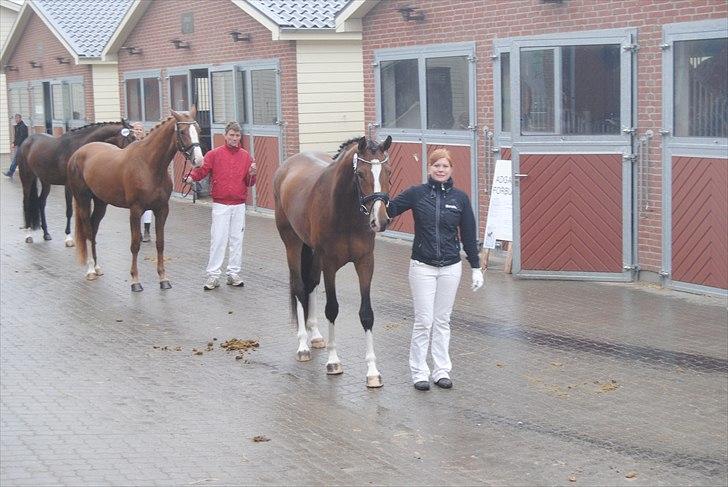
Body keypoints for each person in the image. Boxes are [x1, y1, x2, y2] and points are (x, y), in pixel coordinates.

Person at [386, 148, 484, 391]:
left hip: (451, 267)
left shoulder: (460, 199)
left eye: (445, 166)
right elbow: (389, 209)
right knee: (424, 321)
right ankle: (419, 371)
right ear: (429, 168)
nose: (440, 170)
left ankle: (441, 370)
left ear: (451, 169)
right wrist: (376, 195)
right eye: (436, 165)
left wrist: (476, 267)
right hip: (422, 267)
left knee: (442, 321)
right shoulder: (416, 194)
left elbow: (469, 235)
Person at [185, 121, 256, 290]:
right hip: (221, 204)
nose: (234, 138)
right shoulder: (214, 154)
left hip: (239, 204)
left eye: (237, 136)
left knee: (236, 240)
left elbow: (249, 182)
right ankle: (213, 275)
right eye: (231, 135)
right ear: (225, 136)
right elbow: (202, 170)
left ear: (240, 137)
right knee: (218, 239)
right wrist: (191, 177)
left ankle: (233, 273)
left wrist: (252, 174)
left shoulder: (246, 156)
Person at [131, 122, 154, 242]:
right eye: (136, 129)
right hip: (132, 178)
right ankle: (137, 231)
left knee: (148, 206)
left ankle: (147, 231)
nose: (138, 131)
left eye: (140, 129)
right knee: (135, 206)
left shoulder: (147, 143)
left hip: (145, 177)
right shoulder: (128, 143)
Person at [4, 113, 29, 178]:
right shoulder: (17, 126)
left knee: (16, 159)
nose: (16, 119)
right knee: (21, 159)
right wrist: (14, 143)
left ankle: (10, 172)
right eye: (15, 118)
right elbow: (16, 137)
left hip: (22, 145)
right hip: (19, 145)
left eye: (17, 118)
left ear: (20, 118)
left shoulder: (23, 127)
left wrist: (15, 144)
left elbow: (22, 137)